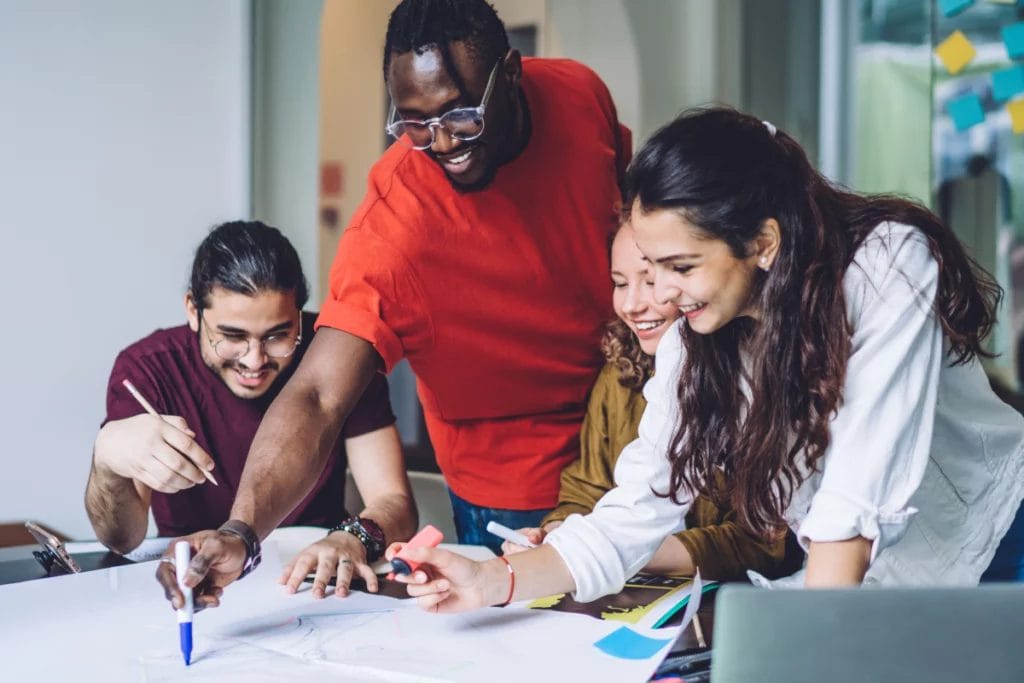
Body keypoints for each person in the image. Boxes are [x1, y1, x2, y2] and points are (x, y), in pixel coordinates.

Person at [383, 106, 1024, 612]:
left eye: (680, 267)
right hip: (868, 581)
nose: (659, 295)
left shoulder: (883, 267)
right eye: (650, 267)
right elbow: (636, 508)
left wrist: (815, 647)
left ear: (763, 242)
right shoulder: (698, 337)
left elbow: (854, 501)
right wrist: (488, 580)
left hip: (999, 539)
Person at [158, 0, 631, 611]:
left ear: (511, 74)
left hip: (635, 423)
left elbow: (634, 229)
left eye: (461, 116)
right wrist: (240, 533)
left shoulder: (579, 92)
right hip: (517, 476)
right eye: (413, 125)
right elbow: (319, 396)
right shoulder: (395, 226)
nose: (440, 144)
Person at [86, 220, 416, 598]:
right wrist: (106, 461)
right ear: (193, 310)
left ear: (300, 315)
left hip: (310, 581)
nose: (254, 360)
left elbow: (396, 504)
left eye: (278, 335)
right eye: (232, 337)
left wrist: (353, 539)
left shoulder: (339, 362)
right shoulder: (148, 370)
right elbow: (122, 539)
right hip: (193, 580)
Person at [503, 222, 801, 582]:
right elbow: (585, 490)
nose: (631, 305)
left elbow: (764, 543)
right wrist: (557, 535)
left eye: (650, 281)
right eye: (620, 283)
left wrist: (616, 553)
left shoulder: (754, 375)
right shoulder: (619, 376)